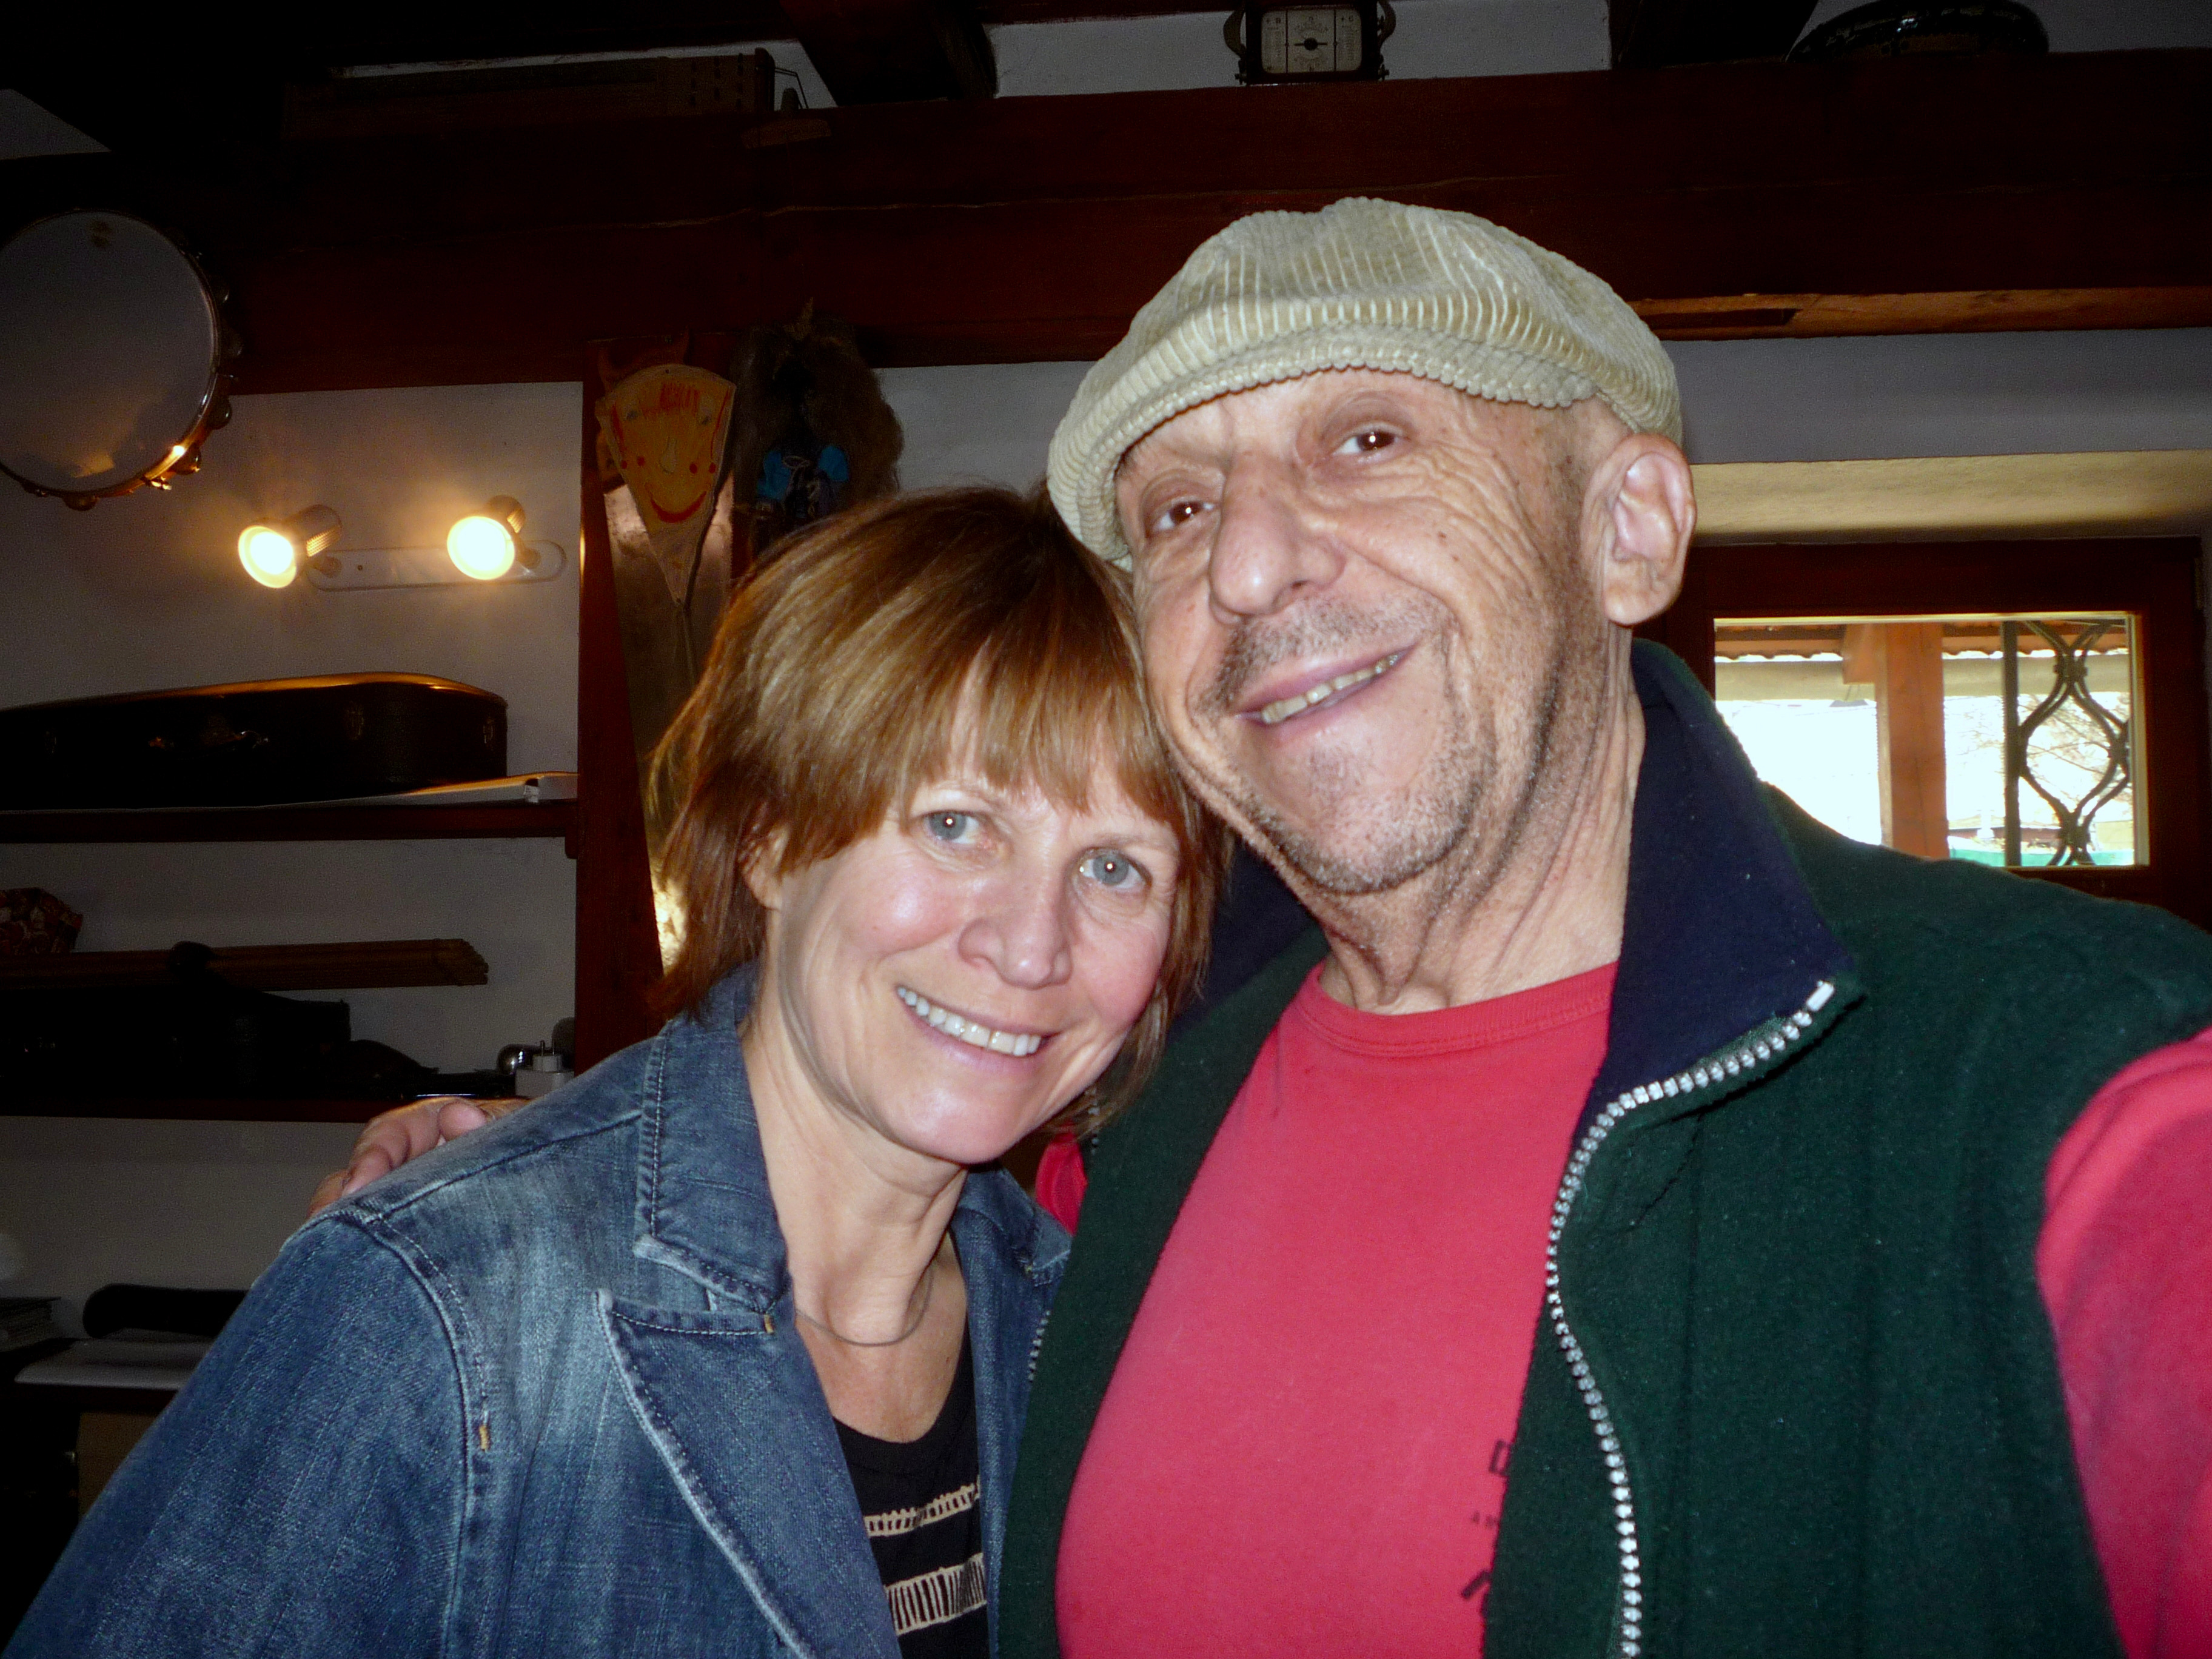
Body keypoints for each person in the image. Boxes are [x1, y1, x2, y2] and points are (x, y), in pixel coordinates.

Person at [319, 201, 2212, 1658]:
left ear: (1629, 527)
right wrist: (550, 1202)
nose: (1241, 561)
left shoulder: (2073, 1091)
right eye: (1172, 511)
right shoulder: (1120, 1130)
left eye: (1368, 437)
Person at [5, 486, 1225, 1659]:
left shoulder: (1073, 1331)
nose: (1031, 948)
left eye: (1115, 867)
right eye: (955, 825)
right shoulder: (441, 1307)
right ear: (770, 836)